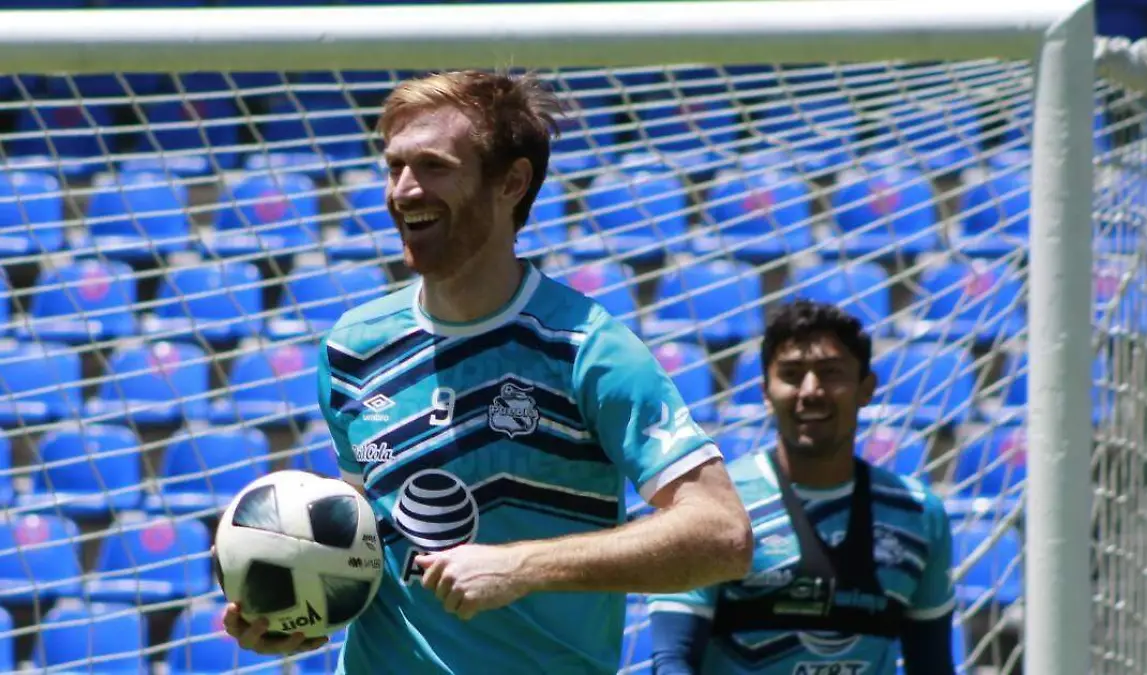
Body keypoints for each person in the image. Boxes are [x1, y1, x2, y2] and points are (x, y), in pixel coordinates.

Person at [220, 70, 754, 674]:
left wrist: (521, 566)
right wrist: (305, 613)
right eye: (394, 166)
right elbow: (368, 547)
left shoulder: (588, 349)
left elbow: (722, 536)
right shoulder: (352, 347)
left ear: (512, 182)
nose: (404, 190)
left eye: (434, 166)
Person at [647, 299, 957, 675]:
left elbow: (932, 666)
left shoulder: (918, 514)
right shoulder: (714, 507)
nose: (811, 391)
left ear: (866, 388)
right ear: (766, 391)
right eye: (792, 374)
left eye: (831, 373)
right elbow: (673, 660)